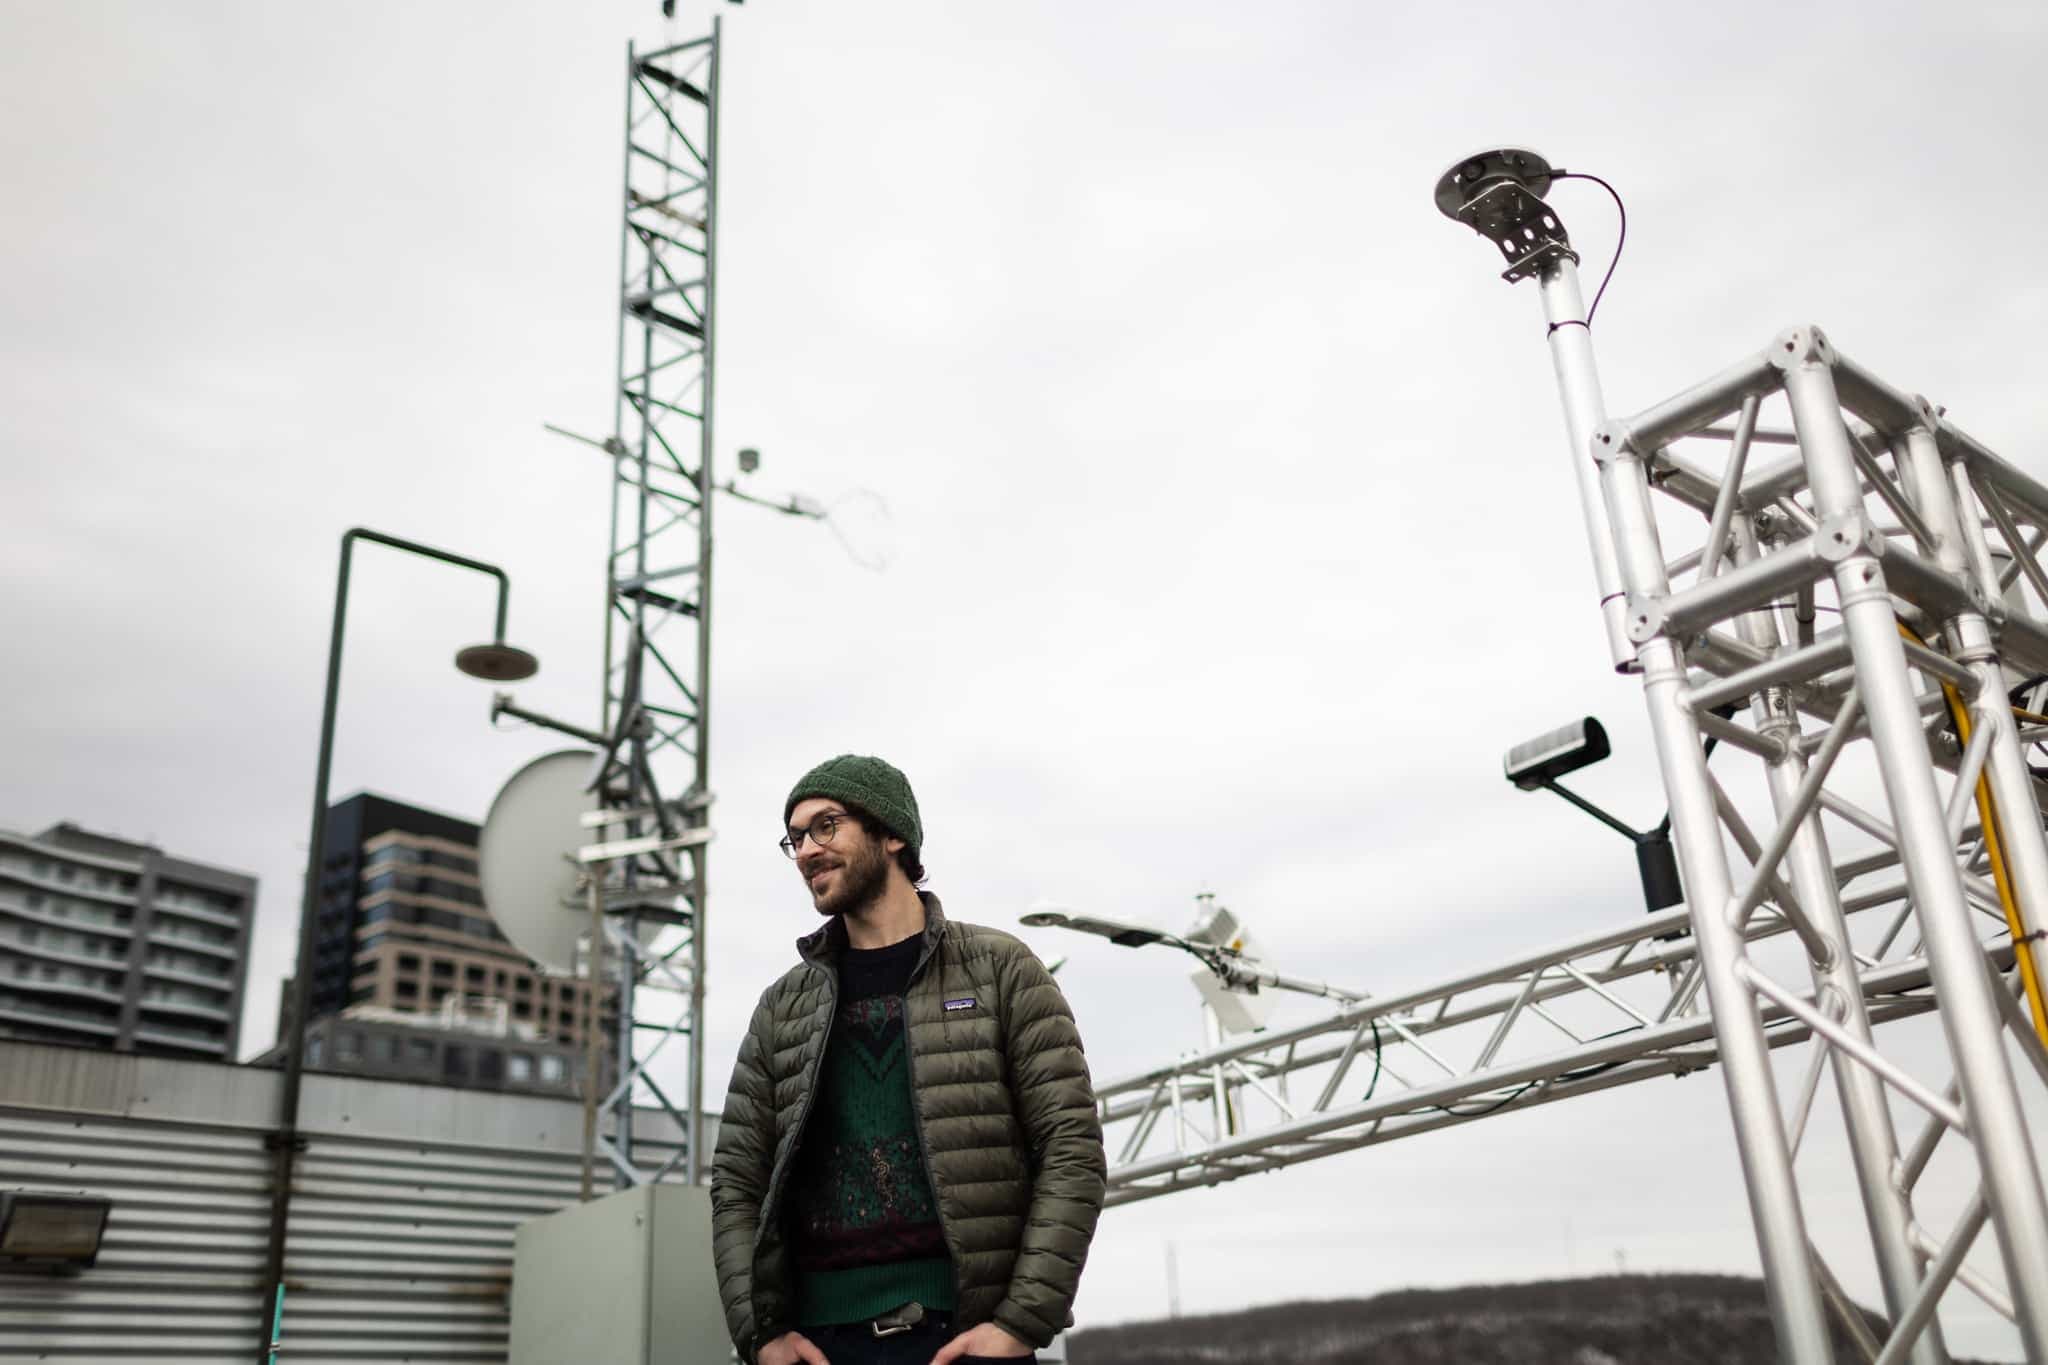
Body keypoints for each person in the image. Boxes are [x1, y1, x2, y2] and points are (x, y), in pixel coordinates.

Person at [710, 755, 1106, 1365]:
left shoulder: (1001, 970)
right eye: (794, 839)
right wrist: (760, 1338)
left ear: (892, 833)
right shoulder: (781, 1009)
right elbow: (737, 1184)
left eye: (826, 825)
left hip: (964, 1337)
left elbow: (1070, 1149)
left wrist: (1023, 1321)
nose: (807, 849)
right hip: (819, 1344)